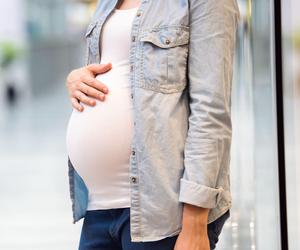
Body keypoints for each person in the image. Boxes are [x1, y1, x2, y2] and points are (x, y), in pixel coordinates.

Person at [65, 0, 240, 249]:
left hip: (163, 214)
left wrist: (195, 222)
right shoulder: (107, 2)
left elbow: (211, 110)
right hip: (100, 209)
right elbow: (121, 67)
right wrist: (76, 78)